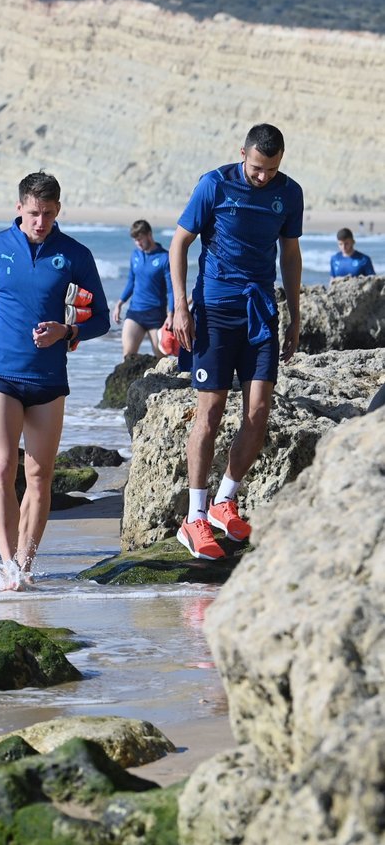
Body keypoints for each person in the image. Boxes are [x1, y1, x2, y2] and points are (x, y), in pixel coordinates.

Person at [0, 172, 109, 589]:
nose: (39, 221)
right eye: (32, 213)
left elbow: (101, 318)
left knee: (40, 475)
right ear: (19, 208)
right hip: (0, 375)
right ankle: (6, 564)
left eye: (46, 214)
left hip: (47, 379)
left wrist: (68, 331)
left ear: (57, 210)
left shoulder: (74, 254)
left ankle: (24, 566)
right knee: (2, 467)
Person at [170, 123, 303, 560]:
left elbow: (289, 253)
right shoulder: (215, 184)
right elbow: (179, 244)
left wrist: (295, 315)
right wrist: (180, 307)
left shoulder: (290, 193)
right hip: (214, 312)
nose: (263, 176)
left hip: (261, 312)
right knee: (209, 413)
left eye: (271, 169)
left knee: (259, 412)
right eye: (257, 167)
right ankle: (194, 516)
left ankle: (225, 500)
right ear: (242, 152)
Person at [113, 219, 173, 357]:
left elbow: (171, 290)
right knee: (128, 356)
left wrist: (171, 315)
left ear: (149, 234)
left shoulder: (165, 258)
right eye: (135, 240)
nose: (138, 244)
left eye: (140, 239)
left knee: (161, 358)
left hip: (156, 315)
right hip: (135, 313)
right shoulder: (135, 255)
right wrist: (120, 303)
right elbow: (131, 281)